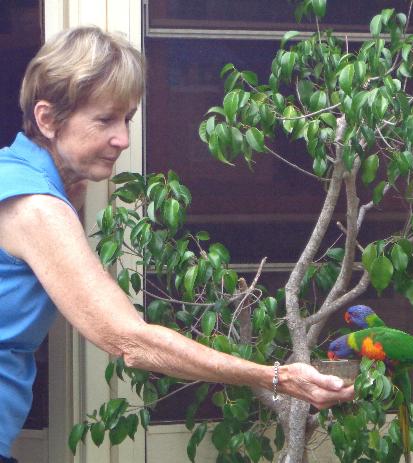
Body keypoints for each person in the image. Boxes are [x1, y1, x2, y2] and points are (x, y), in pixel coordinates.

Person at [0, 26, 354, 461]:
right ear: (47, 119)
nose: (123, 140)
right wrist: (275, 376)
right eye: (104, 119)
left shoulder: (22, 174)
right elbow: (129, 341)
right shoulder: (35, 206)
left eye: (127, 118)